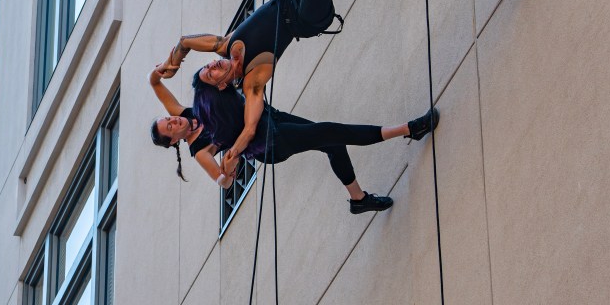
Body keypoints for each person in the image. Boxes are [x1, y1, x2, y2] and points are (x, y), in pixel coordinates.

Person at [158, 0, 343, 160]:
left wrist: (170, 66)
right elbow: (249, 128)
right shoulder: (253, 80)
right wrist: (234, 152)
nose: (212, 65)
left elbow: (186, 42)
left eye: (207, 66)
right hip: (305, 19)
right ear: (221, 87)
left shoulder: (226, 45)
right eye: (211, 74)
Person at [149, 66, 441, 214]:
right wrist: (228, 169)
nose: (174, 121)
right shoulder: (199, 150)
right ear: (175, 141)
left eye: (169, 119)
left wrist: (155, 75)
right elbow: (221, 181)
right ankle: (407, 129)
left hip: (268, 118)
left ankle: (358, 200)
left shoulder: (186, 111)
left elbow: (157, 86)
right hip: (268, 142)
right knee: (331, 131)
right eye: (171, 127)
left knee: (332, 142)